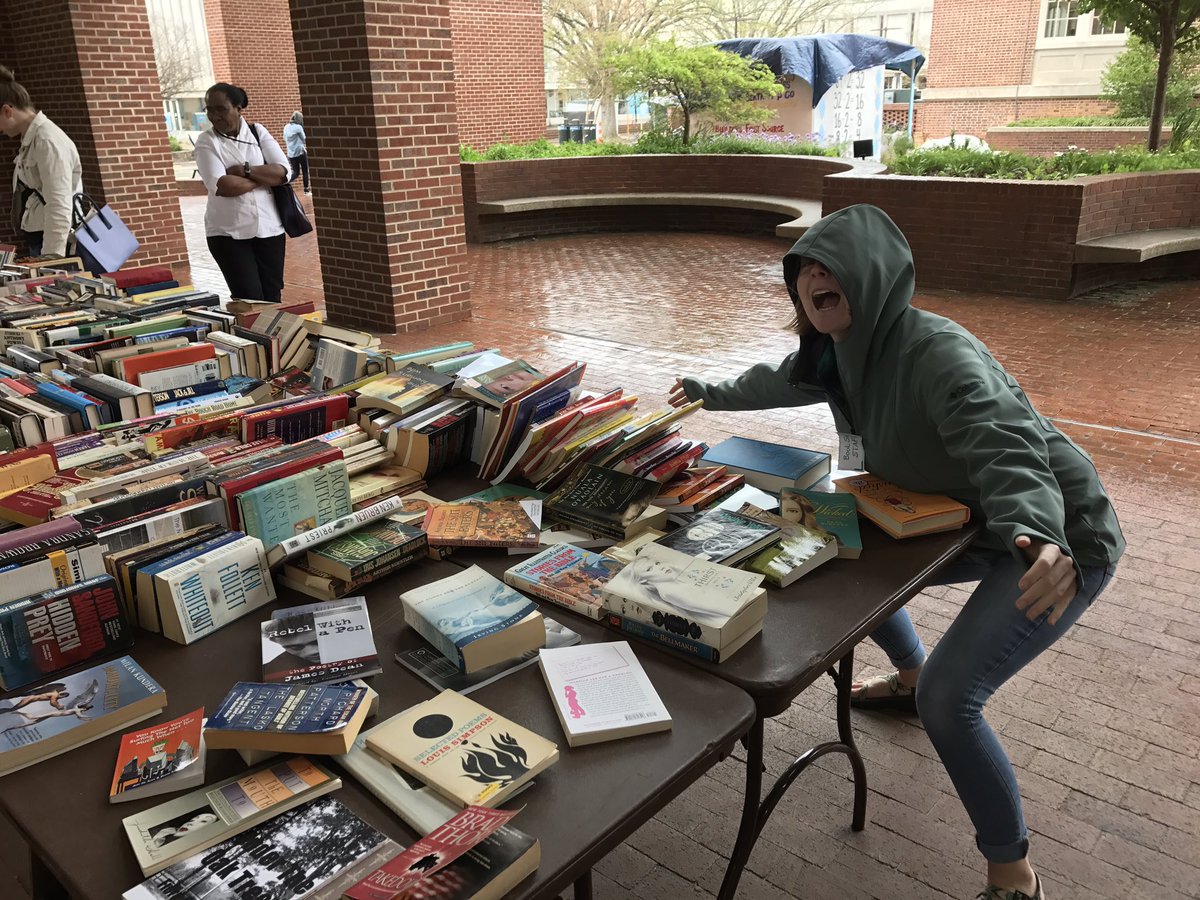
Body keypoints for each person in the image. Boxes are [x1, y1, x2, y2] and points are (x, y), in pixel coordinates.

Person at [668, 204, 1124, 900]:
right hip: (961, 518)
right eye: (804, 270)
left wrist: (1039, 530)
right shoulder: (832, 352)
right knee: (848, 548)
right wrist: (708, 392)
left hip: (1051, 543)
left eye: (831, 266)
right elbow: (771, 379)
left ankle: (1014, 874)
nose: (815, 276)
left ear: (874, 278)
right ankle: (907, 677)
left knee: (953, 700)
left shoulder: (937, 352)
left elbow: (1007, 444)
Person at [194, 82, 290, 302]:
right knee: (249, 298)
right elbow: (222, 186)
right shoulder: (207, 142)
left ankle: (273, 338)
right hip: (228, 234)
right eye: (209, 109)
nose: (214, 116)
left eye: (221, 109)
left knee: (272, 296)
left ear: (238, 108)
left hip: (269, 229)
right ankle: (252, 337)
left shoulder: (258, 132)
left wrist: (245, 171)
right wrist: (264, 178)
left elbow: (284, 172)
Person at [0, 65, 85, 262]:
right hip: (42, 236)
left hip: (55, 241)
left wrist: (51, 259)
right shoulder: (33, 138)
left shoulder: (46, 140)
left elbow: (59, 202)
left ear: (7, 111)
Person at [283, 111, 309, 194]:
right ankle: (306, 190)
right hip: (300, 152)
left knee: (296, 172)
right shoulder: (298, 127)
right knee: (305, 170)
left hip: (291, 153)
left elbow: (284, 138)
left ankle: (285, 183)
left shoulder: (286, 126)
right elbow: (304, 139)